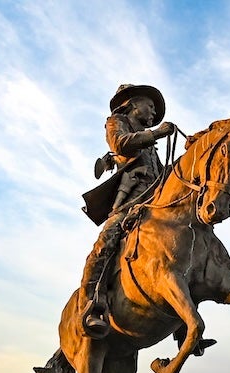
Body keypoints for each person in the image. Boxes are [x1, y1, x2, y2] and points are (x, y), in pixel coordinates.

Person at [79, 84, 176, 337]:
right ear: (133, 104)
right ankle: (90, 304)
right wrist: (156, 133)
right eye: (150, 106)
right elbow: (121, 144)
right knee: (107, 241)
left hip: (154, 201)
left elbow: (162, 174)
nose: (153, 113)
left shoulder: (151, 146)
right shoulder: (116, 122)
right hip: (130, 201)